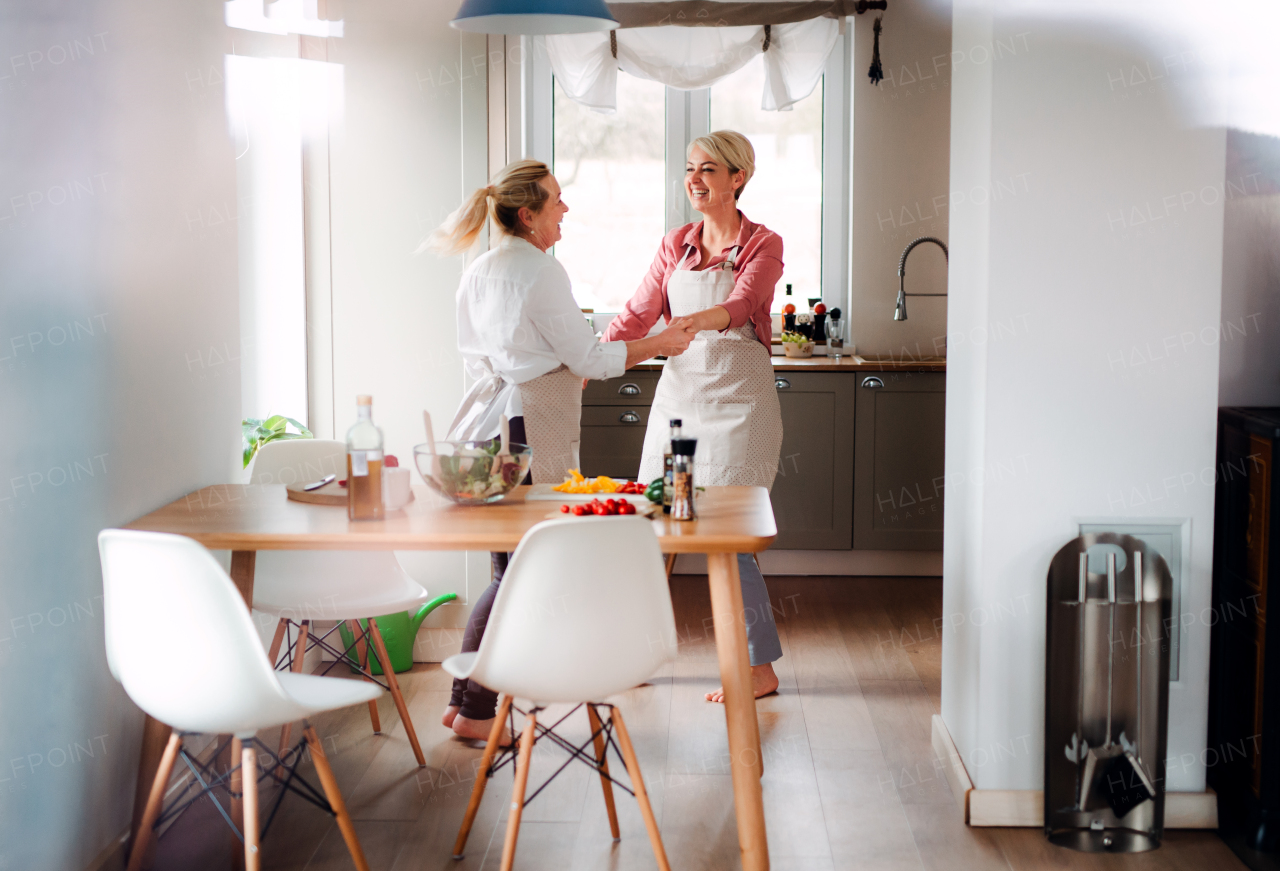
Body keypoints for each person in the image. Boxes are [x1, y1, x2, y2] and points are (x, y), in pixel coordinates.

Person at [427, 159, 696, 740]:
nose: (565, 209)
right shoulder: (542, 272)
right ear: (528, 215)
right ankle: (475, 712)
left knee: (507, 564)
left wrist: (541, 362)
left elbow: (477, 358)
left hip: (489, 425)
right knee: (522, 569)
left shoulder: (480, 271)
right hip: (529, 424)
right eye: (556, 200)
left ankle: (462, 701)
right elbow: (590, 360)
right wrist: (661, 342)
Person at [603, 131, 785, 703]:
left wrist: (688, 325)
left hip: (740, 407)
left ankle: (758, 667)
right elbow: (637, 313)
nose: (696, 179)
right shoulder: (675, 244)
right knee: (657, 526)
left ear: (738, 178)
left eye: (709, 169)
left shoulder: (763, 242)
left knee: (727, 538)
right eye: (689, 168)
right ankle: (637, 651)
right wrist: (591, 360)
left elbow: (743, 305)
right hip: (679, 404)